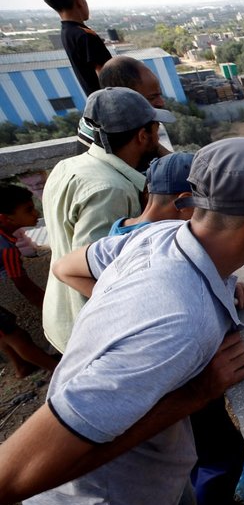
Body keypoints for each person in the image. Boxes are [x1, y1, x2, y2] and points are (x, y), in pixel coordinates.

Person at [0, 138, 244, 505]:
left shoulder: (159, 236)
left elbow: (68, 266)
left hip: (150, 480)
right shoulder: (175, 324)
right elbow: (12, 476)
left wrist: (208, 286)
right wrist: (196, 392)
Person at [107, 151, 244, 505]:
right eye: (206, 210)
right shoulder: (157, 247)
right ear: (184, 202)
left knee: (189, 452)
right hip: (181, 378)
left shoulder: (119, 234)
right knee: (220, 452)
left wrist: (227, 280)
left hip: (168, 382)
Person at [41, 87, 174, 353]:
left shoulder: (70, 166)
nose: (158, 136)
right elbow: (97, 269)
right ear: (141, 135)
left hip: (60, 312)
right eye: (155, 129)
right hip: (91, 331)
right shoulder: (110, 191)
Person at [0, 183, 59, 377]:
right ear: (5, 218)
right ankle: (56, 369)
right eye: (28, 209)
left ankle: (22, 367)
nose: (35, 213)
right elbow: (24, 286)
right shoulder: (6, 248)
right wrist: (49, 307)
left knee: (5, 333)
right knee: (17, 335)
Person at [33, 0, 111, 97]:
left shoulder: (66, 33)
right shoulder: (86, 35)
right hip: (112, 103)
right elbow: (108, 76)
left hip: (97, 103)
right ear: (79, 0)